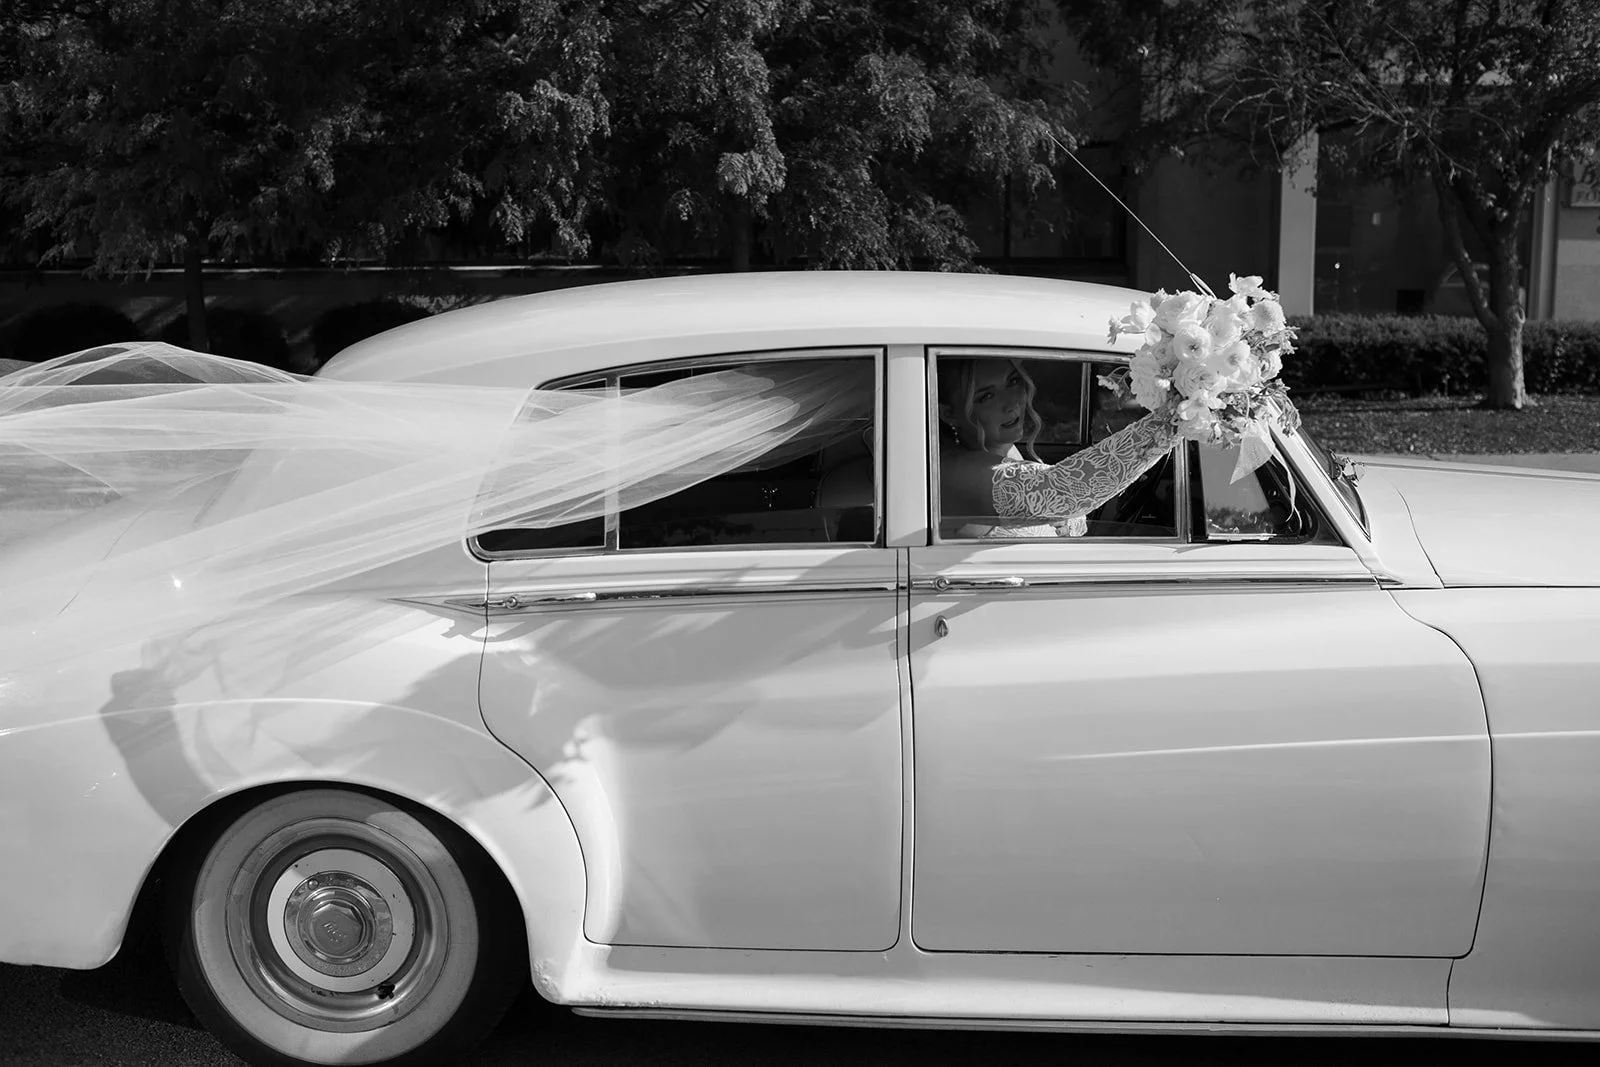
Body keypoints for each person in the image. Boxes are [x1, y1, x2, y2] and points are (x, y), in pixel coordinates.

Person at [936, 357, 1178, 538]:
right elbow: (1064, 490)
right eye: (986, 396)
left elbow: (1060, 499)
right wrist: (1177, 416)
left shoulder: (1001, 449)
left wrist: (1067, 523)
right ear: (948, 413)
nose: (1011, 402)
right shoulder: (951, 471)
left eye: (1013, 381)